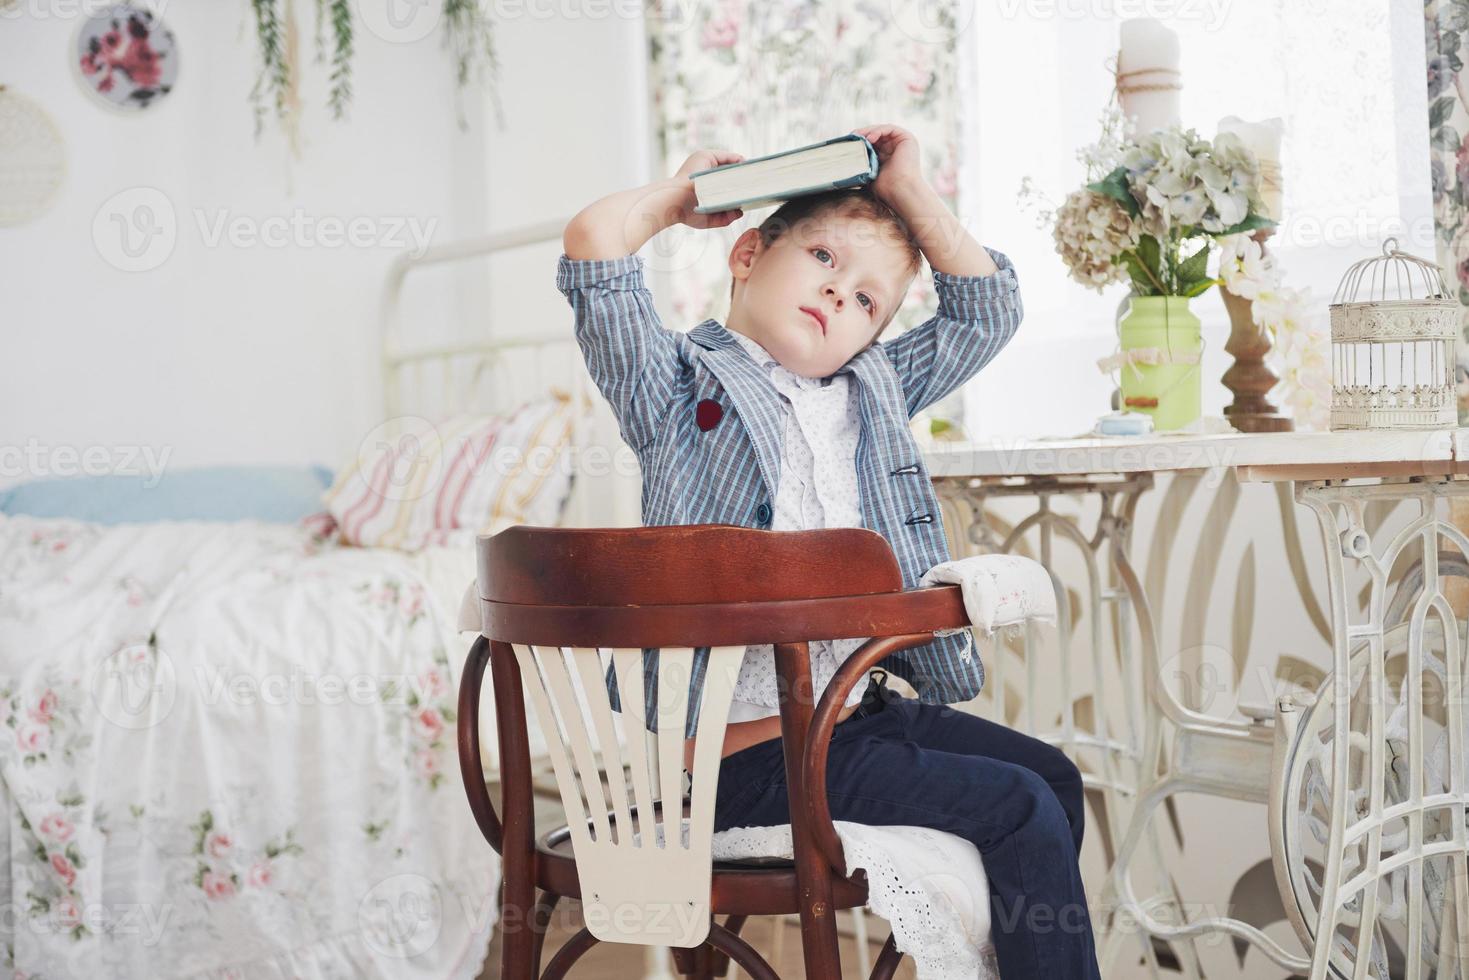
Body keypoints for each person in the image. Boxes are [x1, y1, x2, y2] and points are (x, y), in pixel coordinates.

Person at [557, 122, 1101, 979]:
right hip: (749, 761)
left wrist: (909, 191)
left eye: (866, 303)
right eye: (821, 259)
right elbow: (593, 245)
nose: (838, 296)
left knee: (1054, 778)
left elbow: (988, 306)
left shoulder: (874, 389)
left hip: (856, 714)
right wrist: (680, 198)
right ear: (746, 254)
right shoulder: (673, 389)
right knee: (1017, 804)